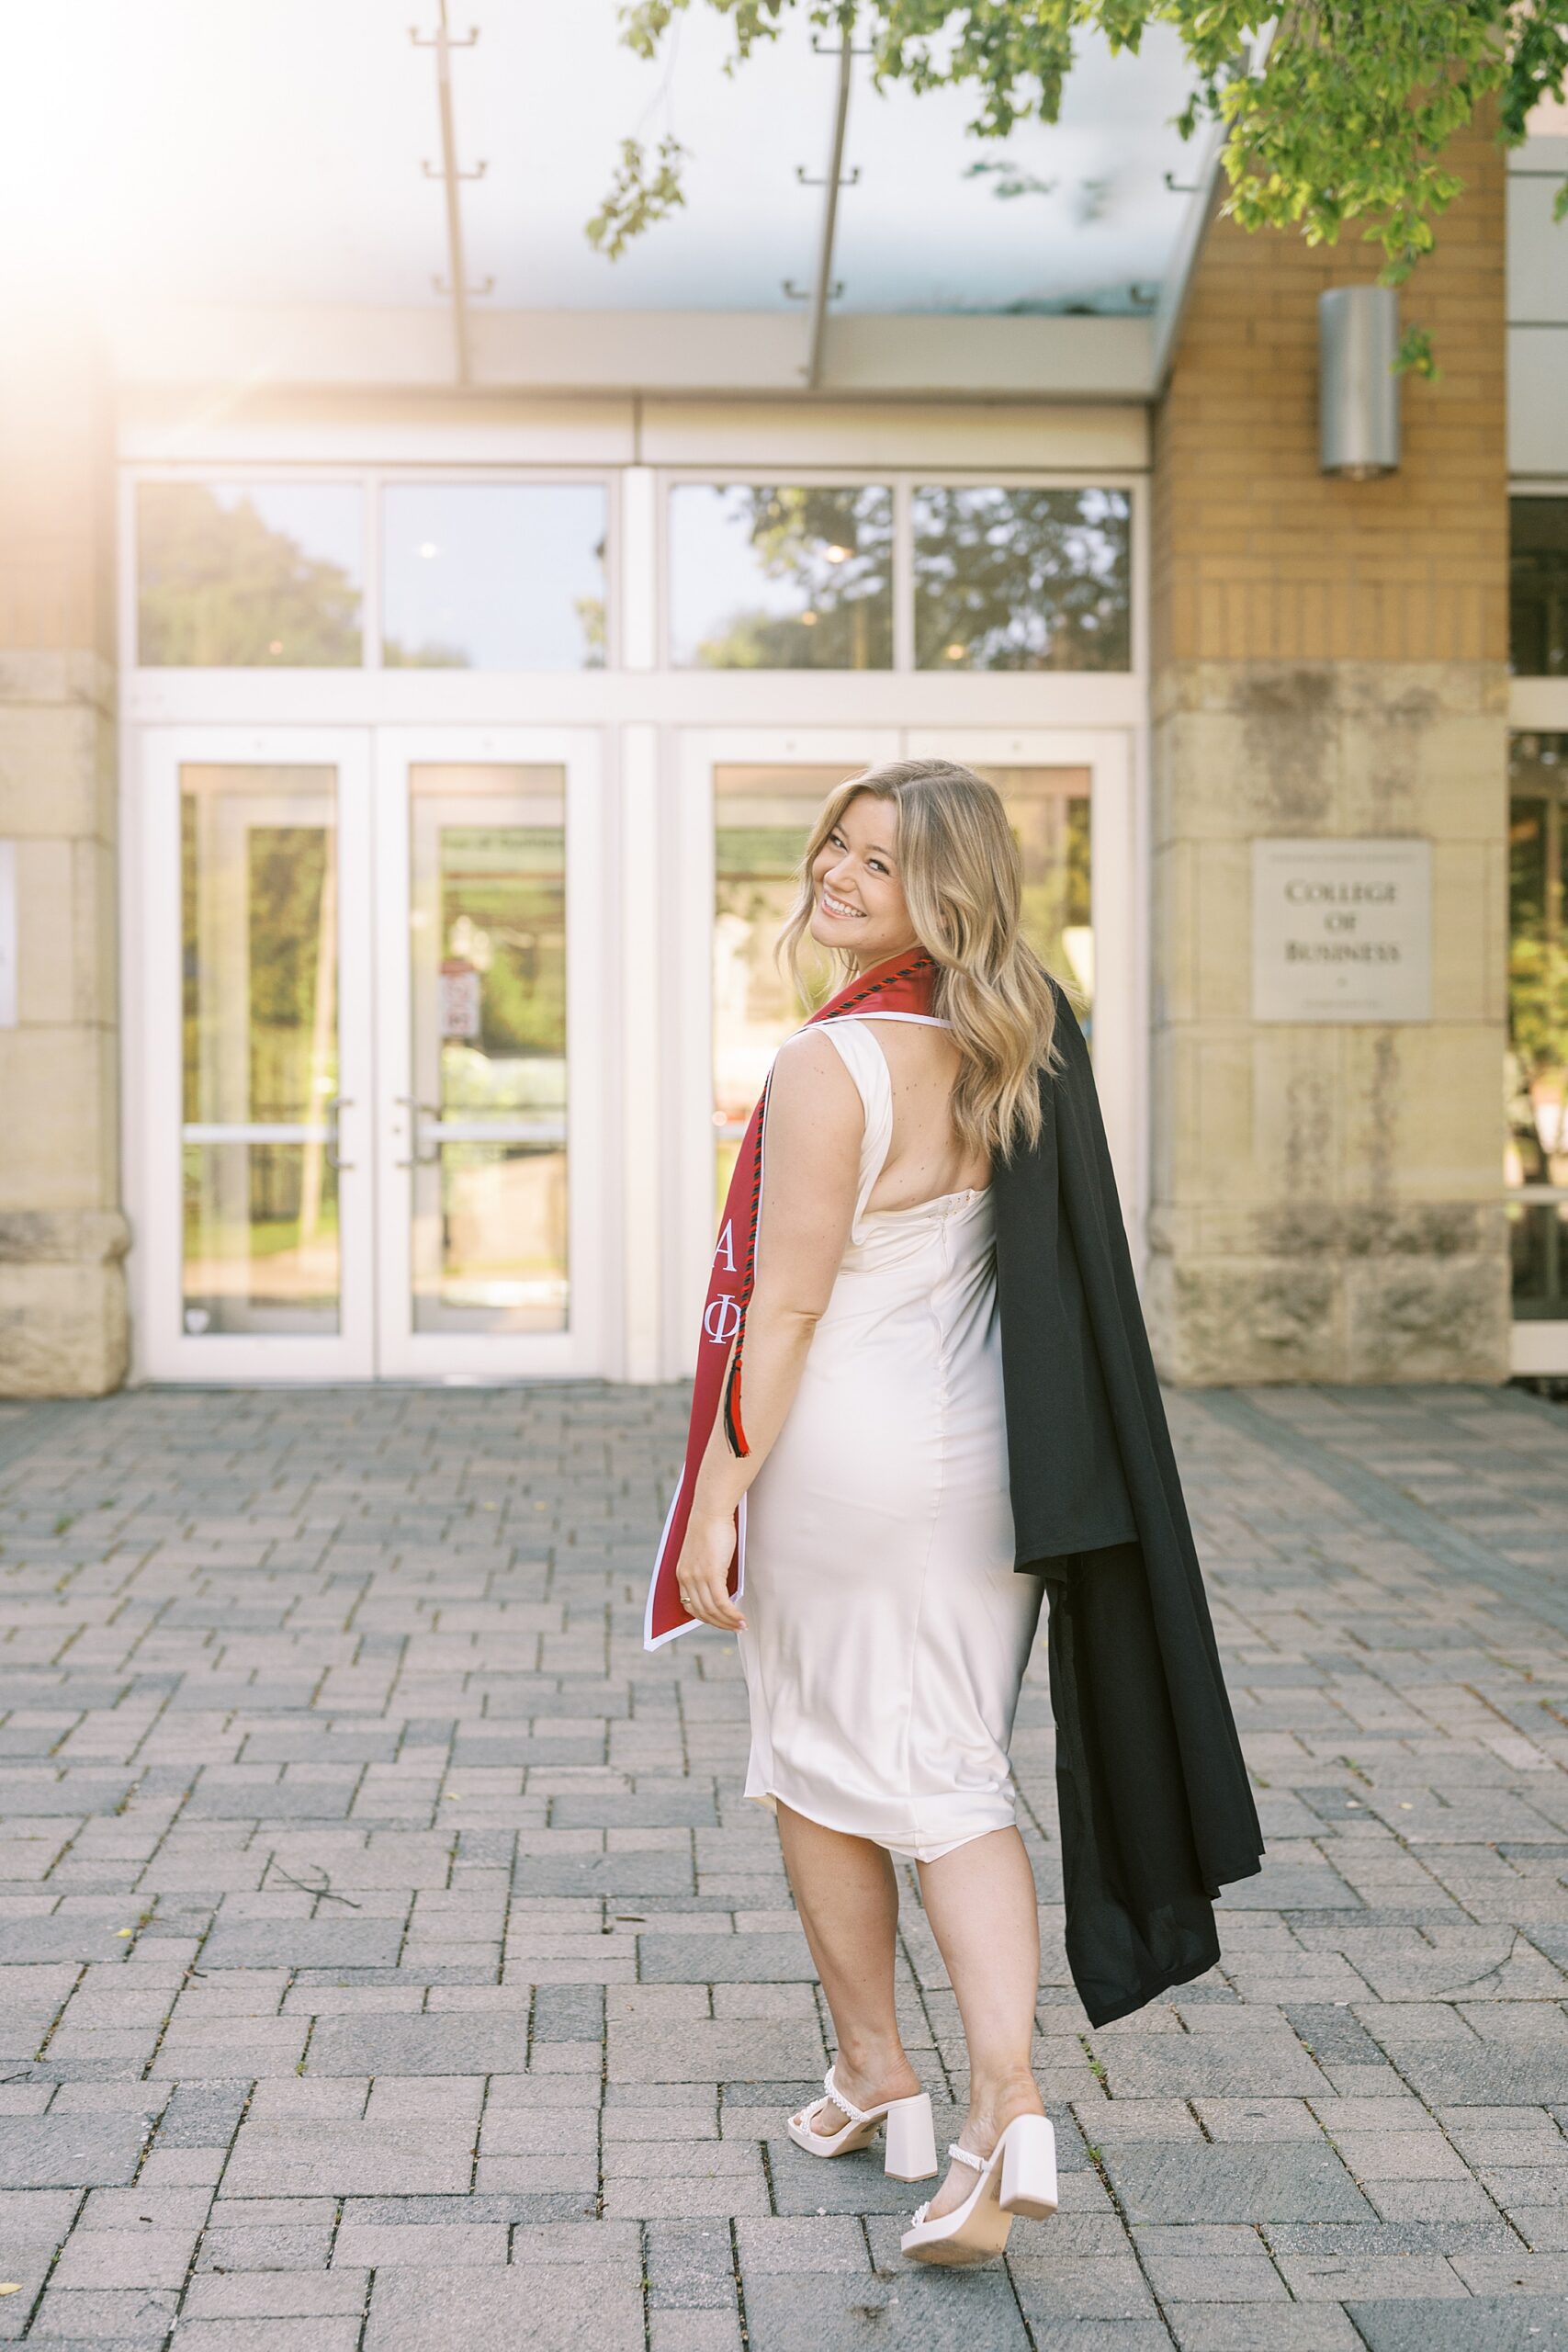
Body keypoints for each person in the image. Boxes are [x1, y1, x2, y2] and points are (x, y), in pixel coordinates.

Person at [646, 757, 1262, 2267]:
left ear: (945, 891)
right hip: (990, 1463)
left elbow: (784, 1314)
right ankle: (908, 2090)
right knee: (944, 1761)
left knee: (822, 1756)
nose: (839, 876)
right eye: (834, 847)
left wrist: (721, 1488)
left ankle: (980, 2099)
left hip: (845, 1459)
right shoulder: (1019, 1037)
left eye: (881, 861)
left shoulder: (828, 1066)